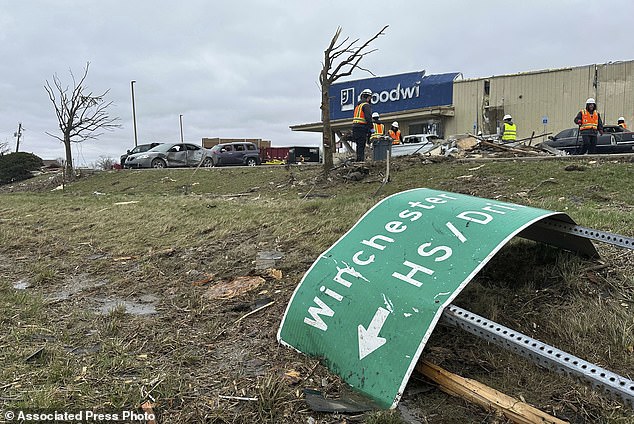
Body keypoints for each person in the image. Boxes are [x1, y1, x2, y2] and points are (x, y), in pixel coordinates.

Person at [352, 88, 374, 161]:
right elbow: (368, 118)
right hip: (361, 127)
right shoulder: (366, 105)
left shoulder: (358, 106)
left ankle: (358, 160)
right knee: (361, 145)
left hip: (355, 127)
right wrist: (371, 128)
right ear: (368, 97)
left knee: (359, 145)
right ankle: (360, 161)